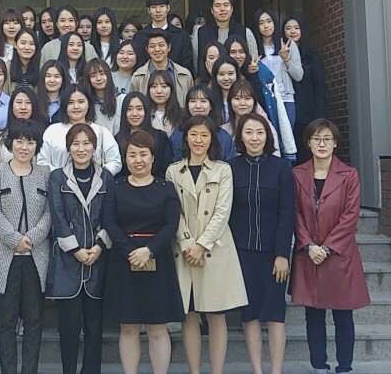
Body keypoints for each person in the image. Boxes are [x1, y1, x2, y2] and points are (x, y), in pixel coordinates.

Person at [166, 115, 247, 374]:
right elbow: (173, 212)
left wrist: (201, 245)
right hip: (184, 250)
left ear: (212, 139)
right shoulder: (173, 171)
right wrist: (188, 243)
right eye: (193, 134)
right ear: (185, 138)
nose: (198, 140)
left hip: (214, 249)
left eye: (204, 135)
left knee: (216, 316)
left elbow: (223, 212)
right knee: (189, 316)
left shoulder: (223, 169)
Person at [290, 119, 370, 374]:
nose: (321, 144)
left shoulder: (349, 174)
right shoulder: (297, 174)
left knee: (343, 314)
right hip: (308, 254)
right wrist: (308, 245)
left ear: (335, 143)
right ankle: (319, 366)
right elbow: (294, 213)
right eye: (316, 139)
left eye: (327, 139)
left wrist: (327, 247)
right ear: (308, 143)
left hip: (339, 255)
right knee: (313, 315)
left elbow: (350, 216)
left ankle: (344, 366)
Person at [104, 129, 183, 374]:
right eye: (132, 155)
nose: (138, 160)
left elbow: (171, 224)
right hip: (123, 259)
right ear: (125, 158)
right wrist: (132, 251)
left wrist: (149, 250)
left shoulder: (166, 188)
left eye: (143, 154)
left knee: (157, 327)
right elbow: (109, 222)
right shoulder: (116, 187)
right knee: (128, 326)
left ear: (153, 157)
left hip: (158, 259)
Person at [0, 119, 51, 374]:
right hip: (4, 254)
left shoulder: (45, 173)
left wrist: (31, 238)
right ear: (10, 144)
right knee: (6, 320)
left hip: (35, 254)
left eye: (30, 142)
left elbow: (49, 213)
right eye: (19, 141)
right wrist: (14, 239)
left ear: (36, 146)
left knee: (34, 319)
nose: (24, 147)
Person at [229, 113, 295, 374]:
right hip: (242, 252)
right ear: (240, 137)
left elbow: (287, 212)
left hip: (273, 253)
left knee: (276, 314)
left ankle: (276, 370)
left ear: (267, 136)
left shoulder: (281, 167)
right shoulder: (231, 167)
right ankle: (257, 370)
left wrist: (283, 254)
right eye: (249, 132)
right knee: (250, 315)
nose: (254, 138)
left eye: (260, 132)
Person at [46, 123, 114, 374]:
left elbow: (110, 216)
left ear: (94, 147)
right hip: (67, 262)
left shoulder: (106, 177)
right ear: (68, 148)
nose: (81, 149)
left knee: (95, 327)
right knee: (69, 328)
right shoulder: (58, 177)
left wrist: (99, 246)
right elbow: (58, 216)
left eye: (86, 143)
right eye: (76, 144)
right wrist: (75, 249)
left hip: (98, 259)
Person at [38, 84, 121, 176]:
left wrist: (99, 176)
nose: (76, 106)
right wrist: (61, 177)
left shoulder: (102, 132)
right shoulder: (52, 131)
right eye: (70, 102)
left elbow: (115, 161)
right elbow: (42, 161)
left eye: (81, 102)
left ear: (89, 104)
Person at [284, 15, 328, 164]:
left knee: (307, 156)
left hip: (308, 115)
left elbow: (320, 88)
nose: (292, 31)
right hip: (289, 114)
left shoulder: (312, 56)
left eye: (296, 28)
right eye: (288, 28)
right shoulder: (280, 57)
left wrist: (319, 118)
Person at [254, 7, 303, 136]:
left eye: (269, 21)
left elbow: (299, 76)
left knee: (287, 138)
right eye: (261, 23)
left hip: (286, 99)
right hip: (265, 99)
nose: (266, 26)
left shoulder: (288, 45)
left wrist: (286, 60)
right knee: (268, 137)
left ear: (274, 23)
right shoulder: (253, 48)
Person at [192, 0, 258, 75]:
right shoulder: (200, 33)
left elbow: (253, 61)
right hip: (208, 81)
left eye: (226, 5)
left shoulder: (245, 32)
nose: (222, 9)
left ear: (232, 9)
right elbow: (196, 63)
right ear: (212, 10)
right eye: (217, 6)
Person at [132, 0, 195, 76]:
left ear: (168, 8)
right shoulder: (140, 36)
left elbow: (187, 64)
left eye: (162, 6)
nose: (158, 10)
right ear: (148, 10)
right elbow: (137, 64)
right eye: (153, 7)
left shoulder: (181, 35)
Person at [115, 91, 172, 179]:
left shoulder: (160, 138)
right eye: (129, 109)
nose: (134, 114)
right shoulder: (116, 141)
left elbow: (165, 169)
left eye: (139, 109)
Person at [129, 30, 194, 107]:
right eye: (152, 46)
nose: (157, 49)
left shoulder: (185, 75)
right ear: (147, 49)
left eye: (161, 45)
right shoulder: (138, 77)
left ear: (169, 47)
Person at [171, 84, 234, 162]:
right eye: (193, 101)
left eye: (203, 101)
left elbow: (230, 165)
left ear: (211, 106)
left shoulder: (223, 137)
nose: (198, 106)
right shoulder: (177, 136)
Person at [0, 86, 47, 163]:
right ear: (11, 106)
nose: (23, 107)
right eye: (19, 102)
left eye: (28, 103)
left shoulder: (45, 136)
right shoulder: (0, 137)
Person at [82, 58, 120, 134]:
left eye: (102, 74)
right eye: (93, 76)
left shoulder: (121, 99)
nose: (98, 79)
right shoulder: (86, 104)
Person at [145, 69, 183, 140]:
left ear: (171, 89)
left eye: (164, 86)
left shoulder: (181, 115)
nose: (159, 91)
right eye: (154, 86)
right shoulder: (144, 114)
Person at [6, 28, 40, 94]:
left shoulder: (41, 68)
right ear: (15, 45)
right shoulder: (6, 67)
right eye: (23, 43)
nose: (27, 47)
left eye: (31, 44)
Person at [209, 55, 242, 123]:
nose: (226, 78)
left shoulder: (246, 96)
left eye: (230, 73)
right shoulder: (209, 99)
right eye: (221, 74)